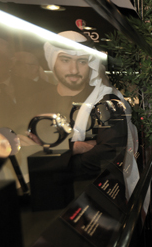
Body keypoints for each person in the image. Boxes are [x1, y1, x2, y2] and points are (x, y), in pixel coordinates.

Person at [31, 31, 140, 201]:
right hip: (45, 196)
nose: (74, 69)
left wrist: (53, 164)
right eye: (65, 60)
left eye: (82, 61)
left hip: (96, 194)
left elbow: (109, 153)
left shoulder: (106, 101)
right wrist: (76, 147)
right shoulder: (36, 100)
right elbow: (26, 146)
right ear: (53, 61)